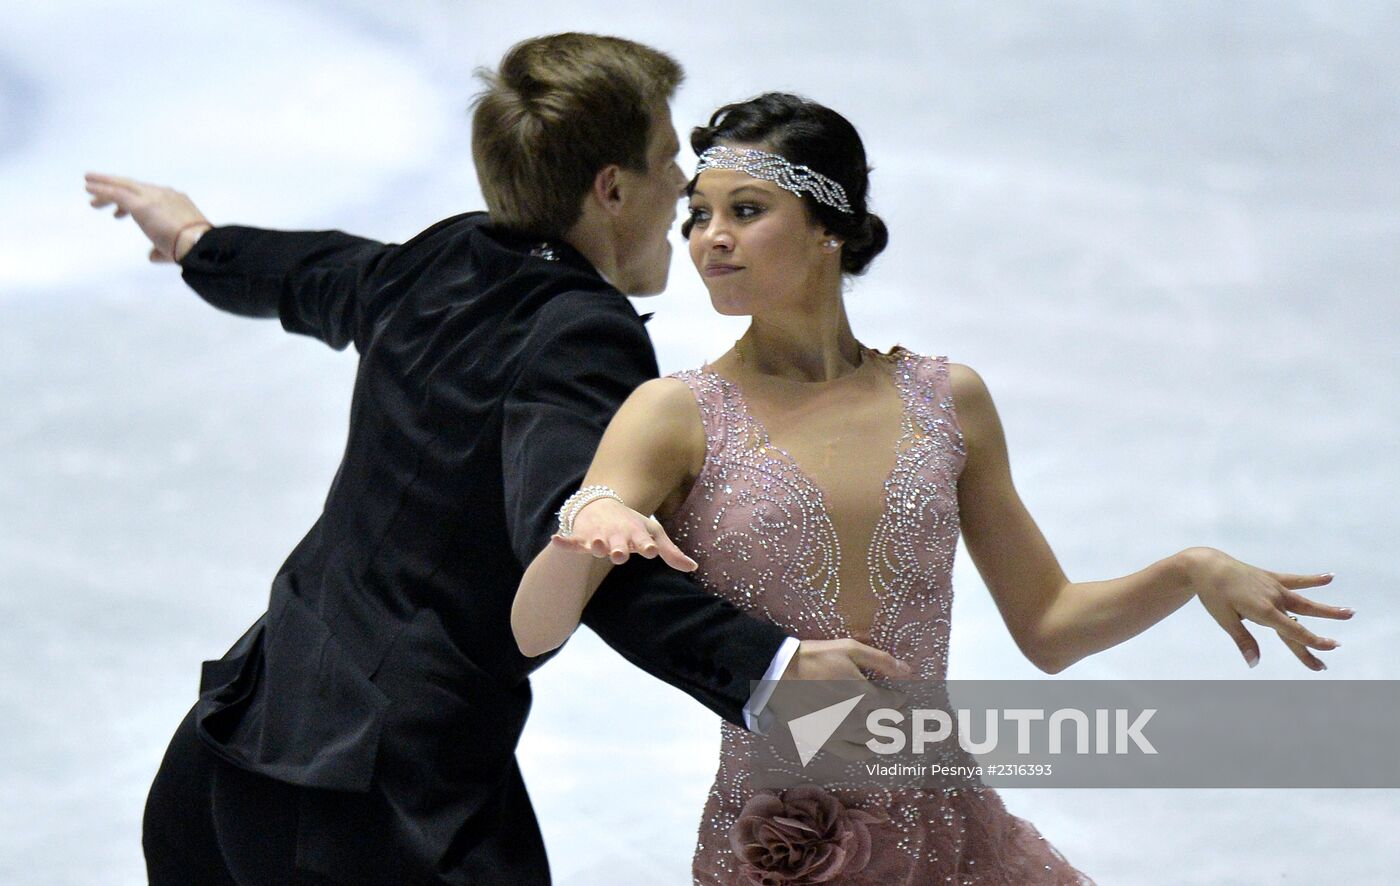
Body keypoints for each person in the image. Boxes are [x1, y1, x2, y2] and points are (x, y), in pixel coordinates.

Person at [84, 37, 907, 885]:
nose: (683, 192)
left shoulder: (448, 256)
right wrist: (771, 669)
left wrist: (194, 238)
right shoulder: (582, 334)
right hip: (379, 807)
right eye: (668, 162)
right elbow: (589, 543)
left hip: (228, 760)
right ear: (612, 188)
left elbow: (323, 274)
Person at [511, 92, 1354, 884]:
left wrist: (1189, 570)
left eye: (745, 211)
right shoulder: (671, 415)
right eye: (697, 216)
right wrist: (587, 516)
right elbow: (533, 629)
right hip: (785, 845)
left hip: (957, 841)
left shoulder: (948, 401)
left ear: (828, 229)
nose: (708, 239)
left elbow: (1050, 628)